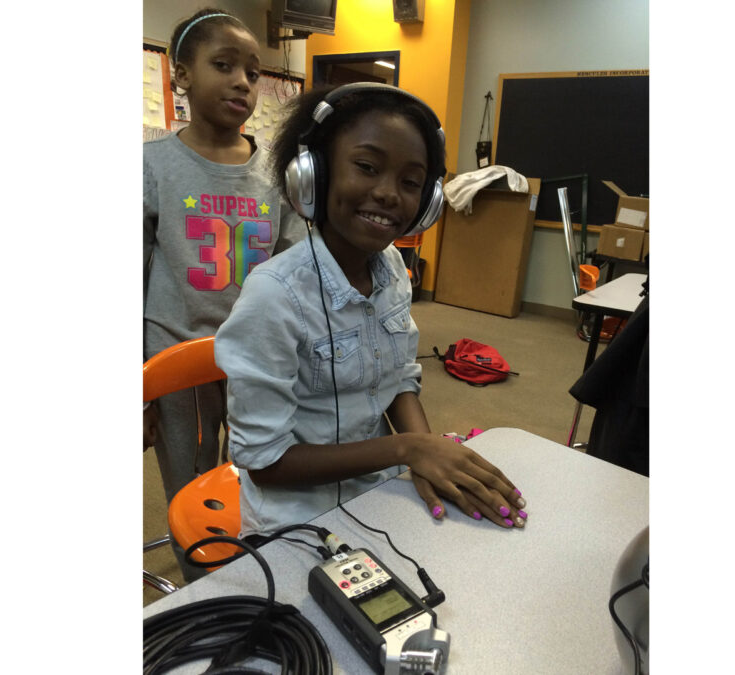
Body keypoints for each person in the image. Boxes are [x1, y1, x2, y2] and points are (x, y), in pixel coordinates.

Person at [215, 83, 528, 538]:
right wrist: (408, 450)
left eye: (411, 182)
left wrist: (425, 454)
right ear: (313, 174)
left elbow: (397, 377)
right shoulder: (274, 296)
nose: (388, 194)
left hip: (380, 491)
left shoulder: (393, 267)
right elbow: (264, 463)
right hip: (296, 520)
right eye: (366, 167)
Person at [143, 8, 305, 578]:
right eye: (224, 65)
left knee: (256, 475)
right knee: (191, 485)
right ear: (182, 74)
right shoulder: (151, 166)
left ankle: (253, 579)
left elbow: (295, 271)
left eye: (253, 73)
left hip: (255, 359)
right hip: (176, 354)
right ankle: (203, 591)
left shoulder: (276, 174)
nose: (242, 82)